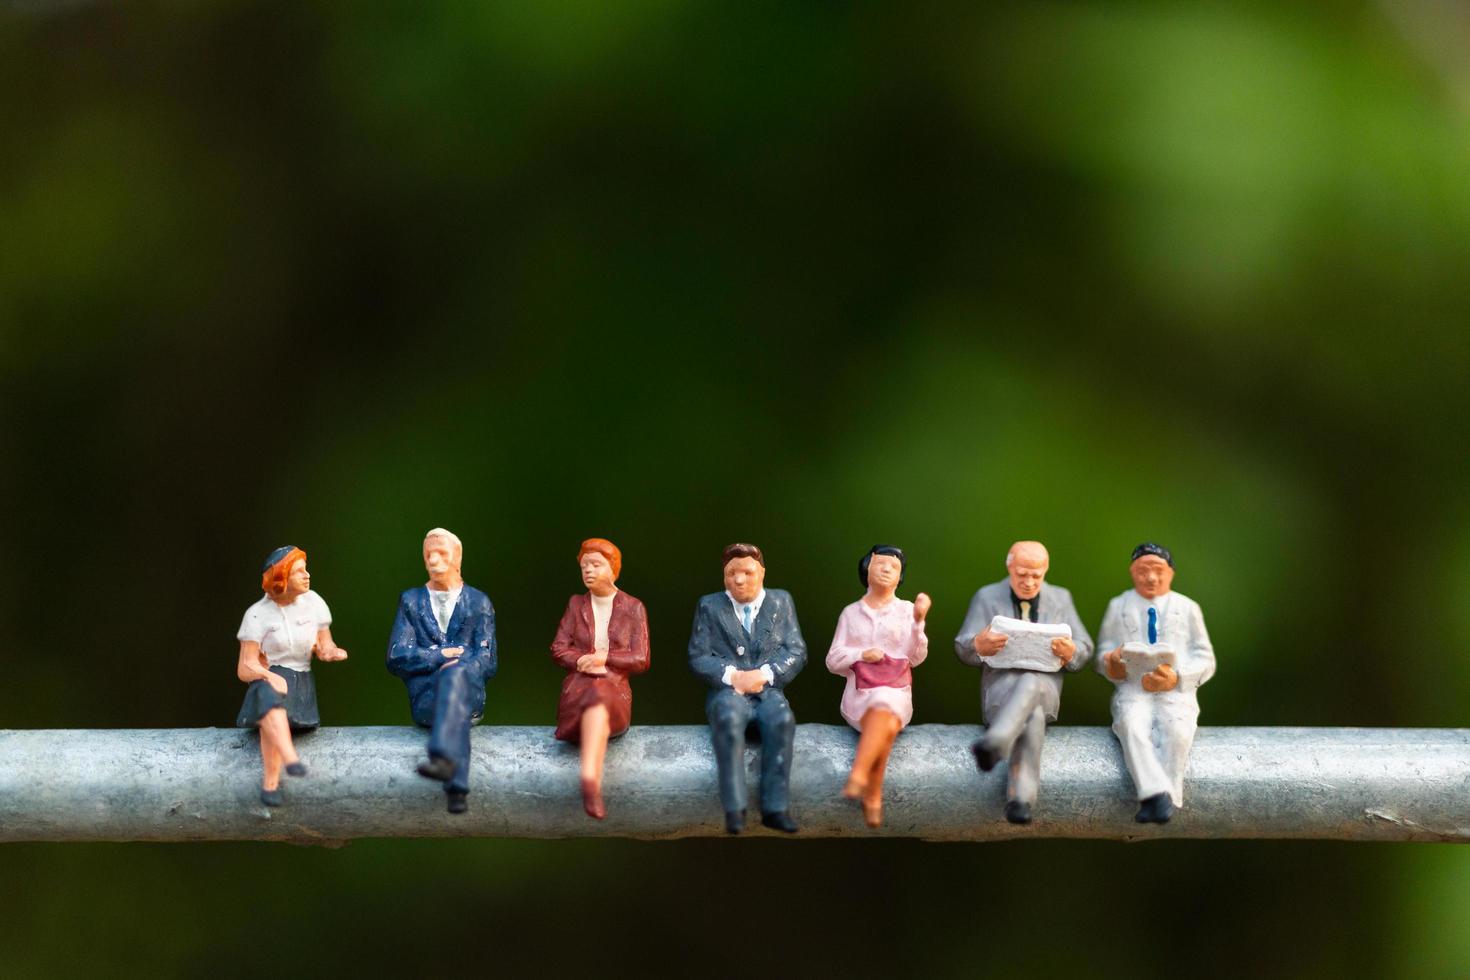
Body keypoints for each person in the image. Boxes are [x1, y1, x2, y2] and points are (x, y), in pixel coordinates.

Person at [954, 540, 1093, 824]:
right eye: (1022, 575)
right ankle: (1020, 801)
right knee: (1033, 719)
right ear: (1009, 567)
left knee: (1033, 681)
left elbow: (1085, 646)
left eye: (1036, 575)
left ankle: (997, 742)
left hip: (1046, 688)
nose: (1029, 582)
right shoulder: (986, 596)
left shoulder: (1061, 598)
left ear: (1046, 570)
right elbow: (963, 645)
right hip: (1001, 691)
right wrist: (979, 644)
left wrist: (1071, 652)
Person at [688, 543, 807, 835]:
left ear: (762, 573)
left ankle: (776, 807)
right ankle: (735, 809)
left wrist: (765, 674)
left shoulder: (780, 602)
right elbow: (698, 656)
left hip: (767, 690)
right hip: (729, 693)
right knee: (728, 720)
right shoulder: (709, 606)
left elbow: (796, 650)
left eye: (747, 572)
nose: (739, 580)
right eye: (731, 573)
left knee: (780, 720)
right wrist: (731, 676)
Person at [1096, 542, 1215, 824]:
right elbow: (1103, 650)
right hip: (1133, 687)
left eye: (1158, 570)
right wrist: (1111, 662)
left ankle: (1166, 798)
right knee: (1132, 726)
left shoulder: (1187, 608)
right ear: (1132, 572)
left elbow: (1205, 657)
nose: (1151, 578)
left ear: (1171, 573)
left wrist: (1178, 677)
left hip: (1175, 689)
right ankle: (1156, 795)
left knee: (1177, 731)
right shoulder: (1118, 606)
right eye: (1143, 570)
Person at [386, 528, 497, 814]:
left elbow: (488, 660)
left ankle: (441, 757)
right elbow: (397, 656)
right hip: (428, 699)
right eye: (428, 555)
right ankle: (456, 787)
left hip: (468, 692)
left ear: (457, 558)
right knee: (453, 694)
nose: (434, 560)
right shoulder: (411, 601)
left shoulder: (478, 602)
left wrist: (458, 666)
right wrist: (439, 657)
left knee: (455, 677)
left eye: (442, 554)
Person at [235, 546, 348, 807]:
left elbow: (324, 644)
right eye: (299, 572)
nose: (307, 575)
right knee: (267, 699)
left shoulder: (314, 603)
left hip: (301, 679)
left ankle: (271, 783)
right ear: (280, 579)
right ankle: (288, 762)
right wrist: (267, 675)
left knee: (270, 716)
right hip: (271, 674)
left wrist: (330, 652)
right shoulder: (257, 614)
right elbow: (245, 666)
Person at [826, 545, 930, 828]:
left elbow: (917, 657)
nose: (886, 570)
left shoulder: (907, 610)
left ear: (900, 577)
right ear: (866, 568)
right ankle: (872, 792)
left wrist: (918, 623)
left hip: (896, 690)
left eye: (893, 567)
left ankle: (861, 775)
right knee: (882, 717)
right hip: (860, 693)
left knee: (885, 704)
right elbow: (832, 660)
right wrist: (861, 654)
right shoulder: (851, 613)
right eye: (880, 564)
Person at [549, 538, 651, 820]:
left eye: (596, 565)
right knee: (591, 693)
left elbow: (641, 659)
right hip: (579, 686)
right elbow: (558, 648)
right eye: (584, 566)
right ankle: (590, 778)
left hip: (613, 690)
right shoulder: (575, 605)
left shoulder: (633, 607)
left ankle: (590, 779)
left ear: (613, 568)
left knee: (600, 696)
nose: (588, 571)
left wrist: (604, 659)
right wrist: (580, 660)